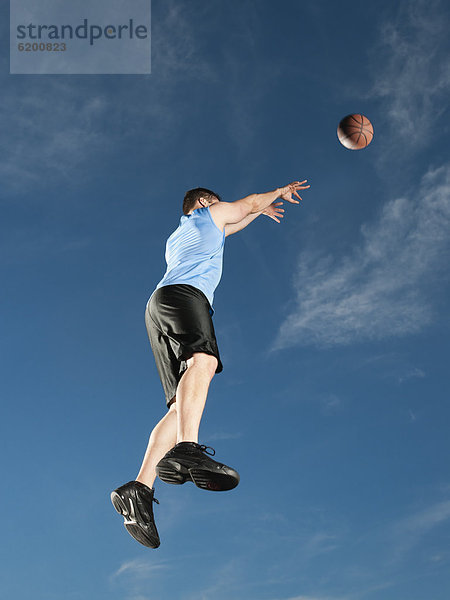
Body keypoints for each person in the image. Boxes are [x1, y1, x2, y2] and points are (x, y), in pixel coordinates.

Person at [110, 180, 310, 548]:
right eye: (218, 202)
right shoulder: (208, 213)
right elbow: (246, 203)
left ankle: (138, 487)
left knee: (179, 406)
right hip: (186, 297)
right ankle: (187, 449)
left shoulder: (183, 234)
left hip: (157, 306)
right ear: (203, 202)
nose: (224, 206)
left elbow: (236, 221)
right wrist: (276, 193)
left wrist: (257, 212)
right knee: (203, 359)